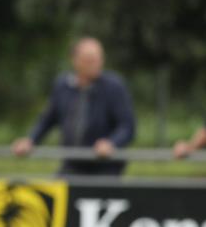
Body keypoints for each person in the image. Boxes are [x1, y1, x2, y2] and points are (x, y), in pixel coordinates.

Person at [12, 37, 136, 175]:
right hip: (71, 165)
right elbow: (48, 119)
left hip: (105, 168)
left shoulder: (114, 87)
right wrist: (30, 140)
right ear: (75, 60)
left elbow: (127, 126)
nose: (96, 64)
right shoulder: (63, 86)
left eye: (99, 59)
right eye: (90, 60)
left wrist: (111, 143)